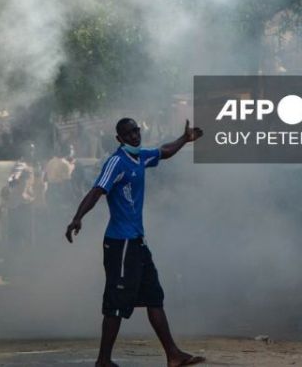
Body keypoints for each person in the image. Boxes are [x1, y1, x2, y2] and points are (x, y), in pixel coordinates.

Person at [65, 118, 206, 367]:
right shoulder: (116, 162)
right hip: (120, 244)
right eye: (128, 134)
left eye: (136, 131)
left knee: (154, 297)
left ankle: (173, 355)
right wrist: (77, 217)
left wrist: (185, 139)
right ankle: (103, 360)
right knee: (116, 303)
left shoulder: (140, 157)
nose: (134, 136)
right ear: (119, 139)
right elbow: (97, 190)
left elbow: (164, 152)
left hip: (137, 243)